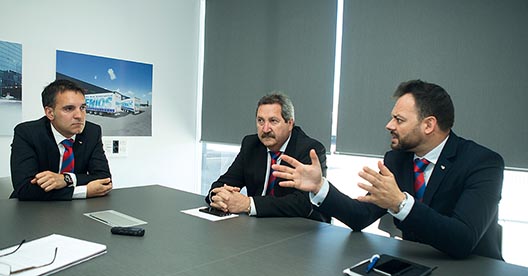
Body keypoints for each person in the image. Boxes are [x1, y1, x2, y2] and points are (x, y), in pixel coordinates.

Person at [273, 80, 504, 259]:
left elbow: (463, 240)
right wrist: (320, 187)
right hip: (415, 263)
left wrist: (400, 204)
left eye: (399, 120)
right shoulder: (397, 160)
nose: (389, 125)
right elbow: (360, 217)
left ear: (429, 125)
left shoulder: (483, 163)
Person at [205, 93, 329, 222]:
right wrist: (218, 197)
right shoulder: (251, 145)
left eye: (273, 121)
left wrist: (248, 204)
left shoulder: (310, 149)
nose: (265, 129)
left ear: (290, 123)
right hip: (258, 227)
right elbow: (224, 182)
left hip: (302, 229)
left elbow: (304, 203)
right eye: (260, 121)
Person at [10, 79, 112, 200]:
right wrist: (84, 191)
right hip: (33, 209)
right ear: (50, 113)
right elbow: (25, 188)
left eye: (82, 108)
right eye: (69, 109)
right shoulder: (28, 133)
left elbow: (104, 179)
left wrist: (66, 179)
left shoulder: (92, 132)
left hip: (77, 210)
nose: (79, 116)